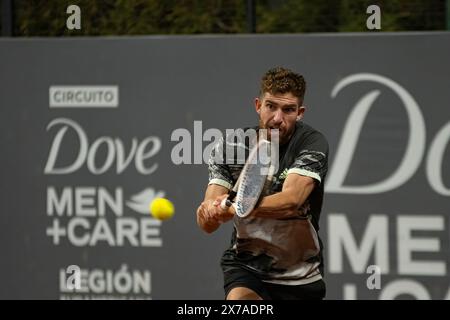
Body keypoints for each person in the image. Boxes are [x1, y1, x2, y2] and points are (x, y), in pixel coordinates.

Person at [196, 67, 329, 300]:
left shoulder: (311, 143)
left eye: (288, 110)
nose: (278, 119)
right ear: (258, 105)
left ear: (300, 112)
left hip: (301, 274)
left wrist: (240, 204)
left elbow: (291, 201)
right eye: (271, 107)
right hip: (246, 267)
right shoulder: (230, 148)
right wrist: (208, 212)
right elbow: (208, 223)